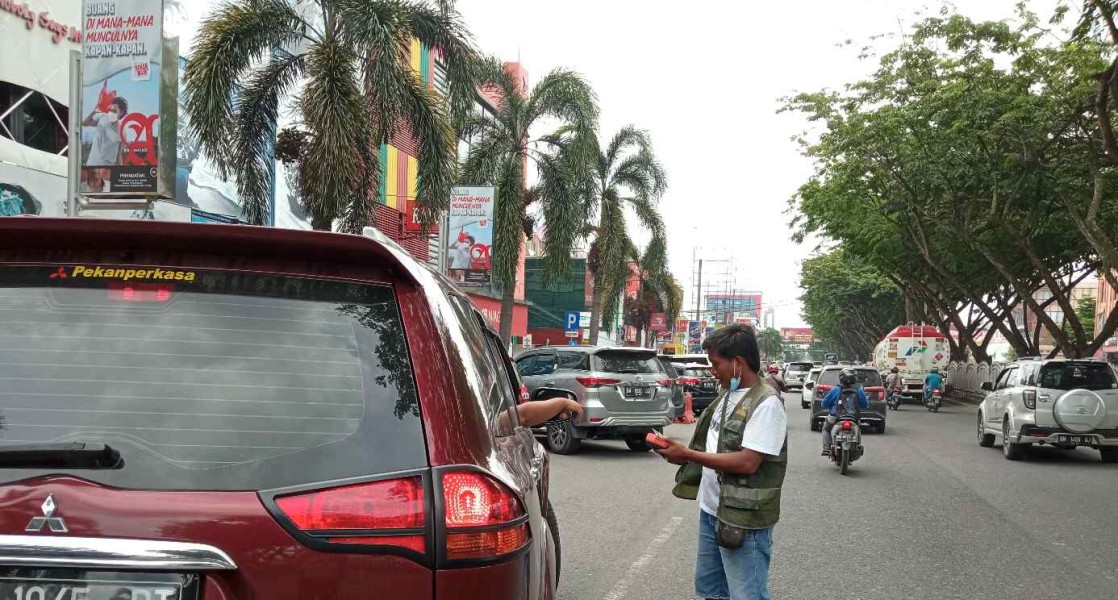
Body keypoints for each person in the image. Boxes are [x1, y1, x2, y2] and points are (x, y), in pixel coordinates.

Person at [653, 324, 787, 600]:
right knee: (712, 590)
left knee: (747, 594)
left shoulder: (767, 404)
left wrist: (687, 455)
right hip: (713, 509)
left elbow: (748, 462)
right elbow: (714, 446)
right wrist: (678, 453)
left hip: (743, 518)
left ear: (738, 363)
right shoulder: (727, 396)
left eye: (715, 364)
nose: (712, 371)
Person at [821, 369, 868, 456]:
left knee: (826, 429)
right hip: (853, 417)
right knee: (858, 429)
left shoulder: (835, 390)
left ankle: (826, 449)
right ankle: (857, 446)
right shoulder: (858, 390)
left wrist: (830, 407)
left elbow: (824, 404)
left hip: (835, 417)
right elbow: (865, 404)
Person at [83, 96, 127, 167]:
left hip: (108, 169)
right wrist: (93, 112)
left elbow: (119, 156)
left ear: (121, 112)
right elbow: (85, 123)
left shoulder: (123, 132)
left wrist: (122, 174)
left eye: (114, 111)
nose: (111, 113)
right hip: (91, 164)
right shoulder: (102, 117)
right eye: (110, 110)